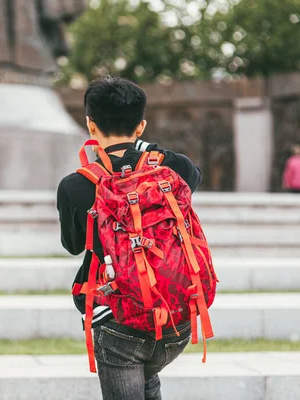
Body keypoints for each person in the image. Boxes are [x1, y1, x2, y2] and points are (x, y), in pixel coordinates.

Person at [56, 76, 202, 400]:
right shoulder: (171, 169)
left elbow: (73, 245)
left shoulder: (75, 185)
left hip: (116, 320)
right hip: (175, 315)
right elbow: (194, 175)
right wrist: (147, 149)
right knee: (147, 381)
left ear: (90, 126)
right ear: (141, 126)